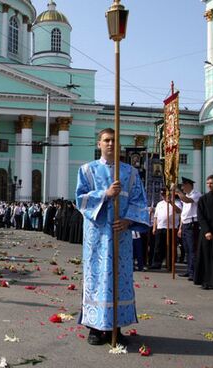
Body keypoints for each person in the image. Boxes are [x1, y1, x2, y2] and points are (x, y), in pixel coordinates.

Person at [76, 128, 150, 347]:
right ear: (99, 143)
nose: (110, 144)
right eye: (107, 140)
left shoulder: (130, 173)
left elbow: (139, 201)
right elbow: (80, 200)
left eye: (115, 141)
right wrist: (105, 194)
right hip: (97, 237)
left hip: (121, 235)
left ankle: (116, 327)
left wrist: (128, 221)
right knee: (97, 279)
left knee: (119, 279)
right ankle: (95, 328)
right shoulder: (87, 170)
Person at [175, 177, 202, 280]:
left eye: (183, 186)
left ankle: (193, 272)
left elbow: (187, 201)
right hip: (185, 224)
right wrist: (180, 228)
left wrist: (177, 191)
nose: (182, 188)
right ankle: (188, 270)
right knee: (186, 249)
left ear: (188, 185)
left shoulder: (196, 194)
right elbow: (183, 214)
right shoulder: (185, 195)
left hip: (192, 224)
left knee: (192, 249)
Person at [150, 188, 182, 270]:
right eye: (162, 194)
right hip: (160, 227)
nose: (163, 196)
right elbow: (156, 217)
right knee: (158, 246)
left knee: (171, 247)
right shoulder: (159, 204)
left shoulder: (177, 202)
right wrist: (154, 227)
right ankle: (157, 263)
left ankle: (170, 264)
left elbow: (179, 211)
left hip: (171, 228)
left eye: (165, 194)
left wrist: (171, 203)